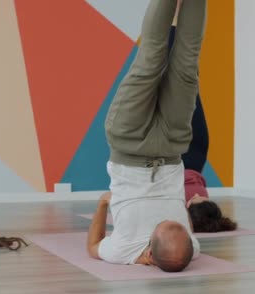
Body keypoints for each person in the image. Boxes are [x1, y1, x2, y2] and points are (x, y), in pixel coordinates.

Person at [87, 0, 206, 272]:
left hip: (129, 141)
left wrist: (102, 205)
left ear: (149, 253)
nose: (168, 220)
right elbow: (185, 223)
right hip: (171, 146)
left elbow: (93, 247)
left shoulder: (124, 249)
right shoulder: (189, 248)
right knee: (187, 64)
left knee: (151, 59)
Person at [166, 16, 237, 233]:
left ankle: (172, 21)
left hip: (176, 156)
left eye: (195, 199)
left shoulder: (177, 207)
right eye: (202, 198)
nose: (198, 195)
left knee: (169, 76)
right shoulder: (206, 211)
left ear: (187, 210)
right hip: (196, 152)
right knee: (190, 83)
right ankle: (180, 19)